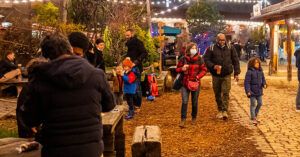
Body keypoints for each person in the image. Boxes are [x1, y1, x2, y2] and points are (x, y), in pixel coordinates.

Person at [20, 33, 115, 157]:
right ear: (70, 49)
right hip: (91, 150)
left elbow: (29, 118)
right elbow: (109, 105)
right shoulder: (96, 74)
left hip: (56, 151)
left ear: (47, 57)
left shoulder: (41, 79)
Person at [204, 33, 241, 120]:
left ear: (225, 40)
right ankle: (219, 109)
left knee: (225, 92)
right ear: (217, 40)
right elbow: (206, 59)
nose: (222, 42)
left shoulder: (230, 48)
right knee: (217, 93)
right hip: (216, 75)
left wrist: (236, 73)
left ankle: (225, 110)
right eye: (220, 40)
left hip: (226, 74)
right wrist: (213, 66)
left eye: (223, 40)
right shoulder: (211, 48)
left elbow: (235, 60)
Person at [176, 43, 207, 128]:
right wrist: (182, 69)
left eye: (195, 48)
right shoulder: (183, 59)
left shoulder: (200, 59)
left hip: (195, 83)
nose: (194, 50)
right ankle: (183, 119)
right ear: (188, 50)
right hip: (185, 83)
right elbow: (177, 69)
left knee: (194, 101)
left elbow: (204, 69)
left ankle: (194, 117)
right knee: (185, 101)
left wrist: (198, 76)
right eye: (192, 48)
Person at [125, 29, 147, 111]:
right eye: (126, 35)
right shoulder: (128, 44)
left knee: (137, 86)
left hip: (136, 67)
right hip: (128, 67)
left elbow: (144, 53)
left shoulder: (138, 42)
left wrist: (136, 61)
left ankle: (137, 105)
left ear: (132, 34)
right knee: (130, 86)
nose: (126, 37)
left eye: (128, 35)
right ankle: (132, 104)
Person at [244, 58, 267, 125]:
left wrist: (264, 84)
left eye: (258, 63)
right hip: (252, 91)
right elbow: (247, 82)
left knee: (260, 103)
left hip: (259, 91)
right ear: (252, 64)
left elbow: (263, 79)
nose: (257, 64)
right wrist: (248, 91)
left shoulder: (260, 71)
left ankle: (255, 115)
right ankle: (253, 118)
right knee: (253, 104)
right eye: (255, 63)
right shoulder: (249, 72)